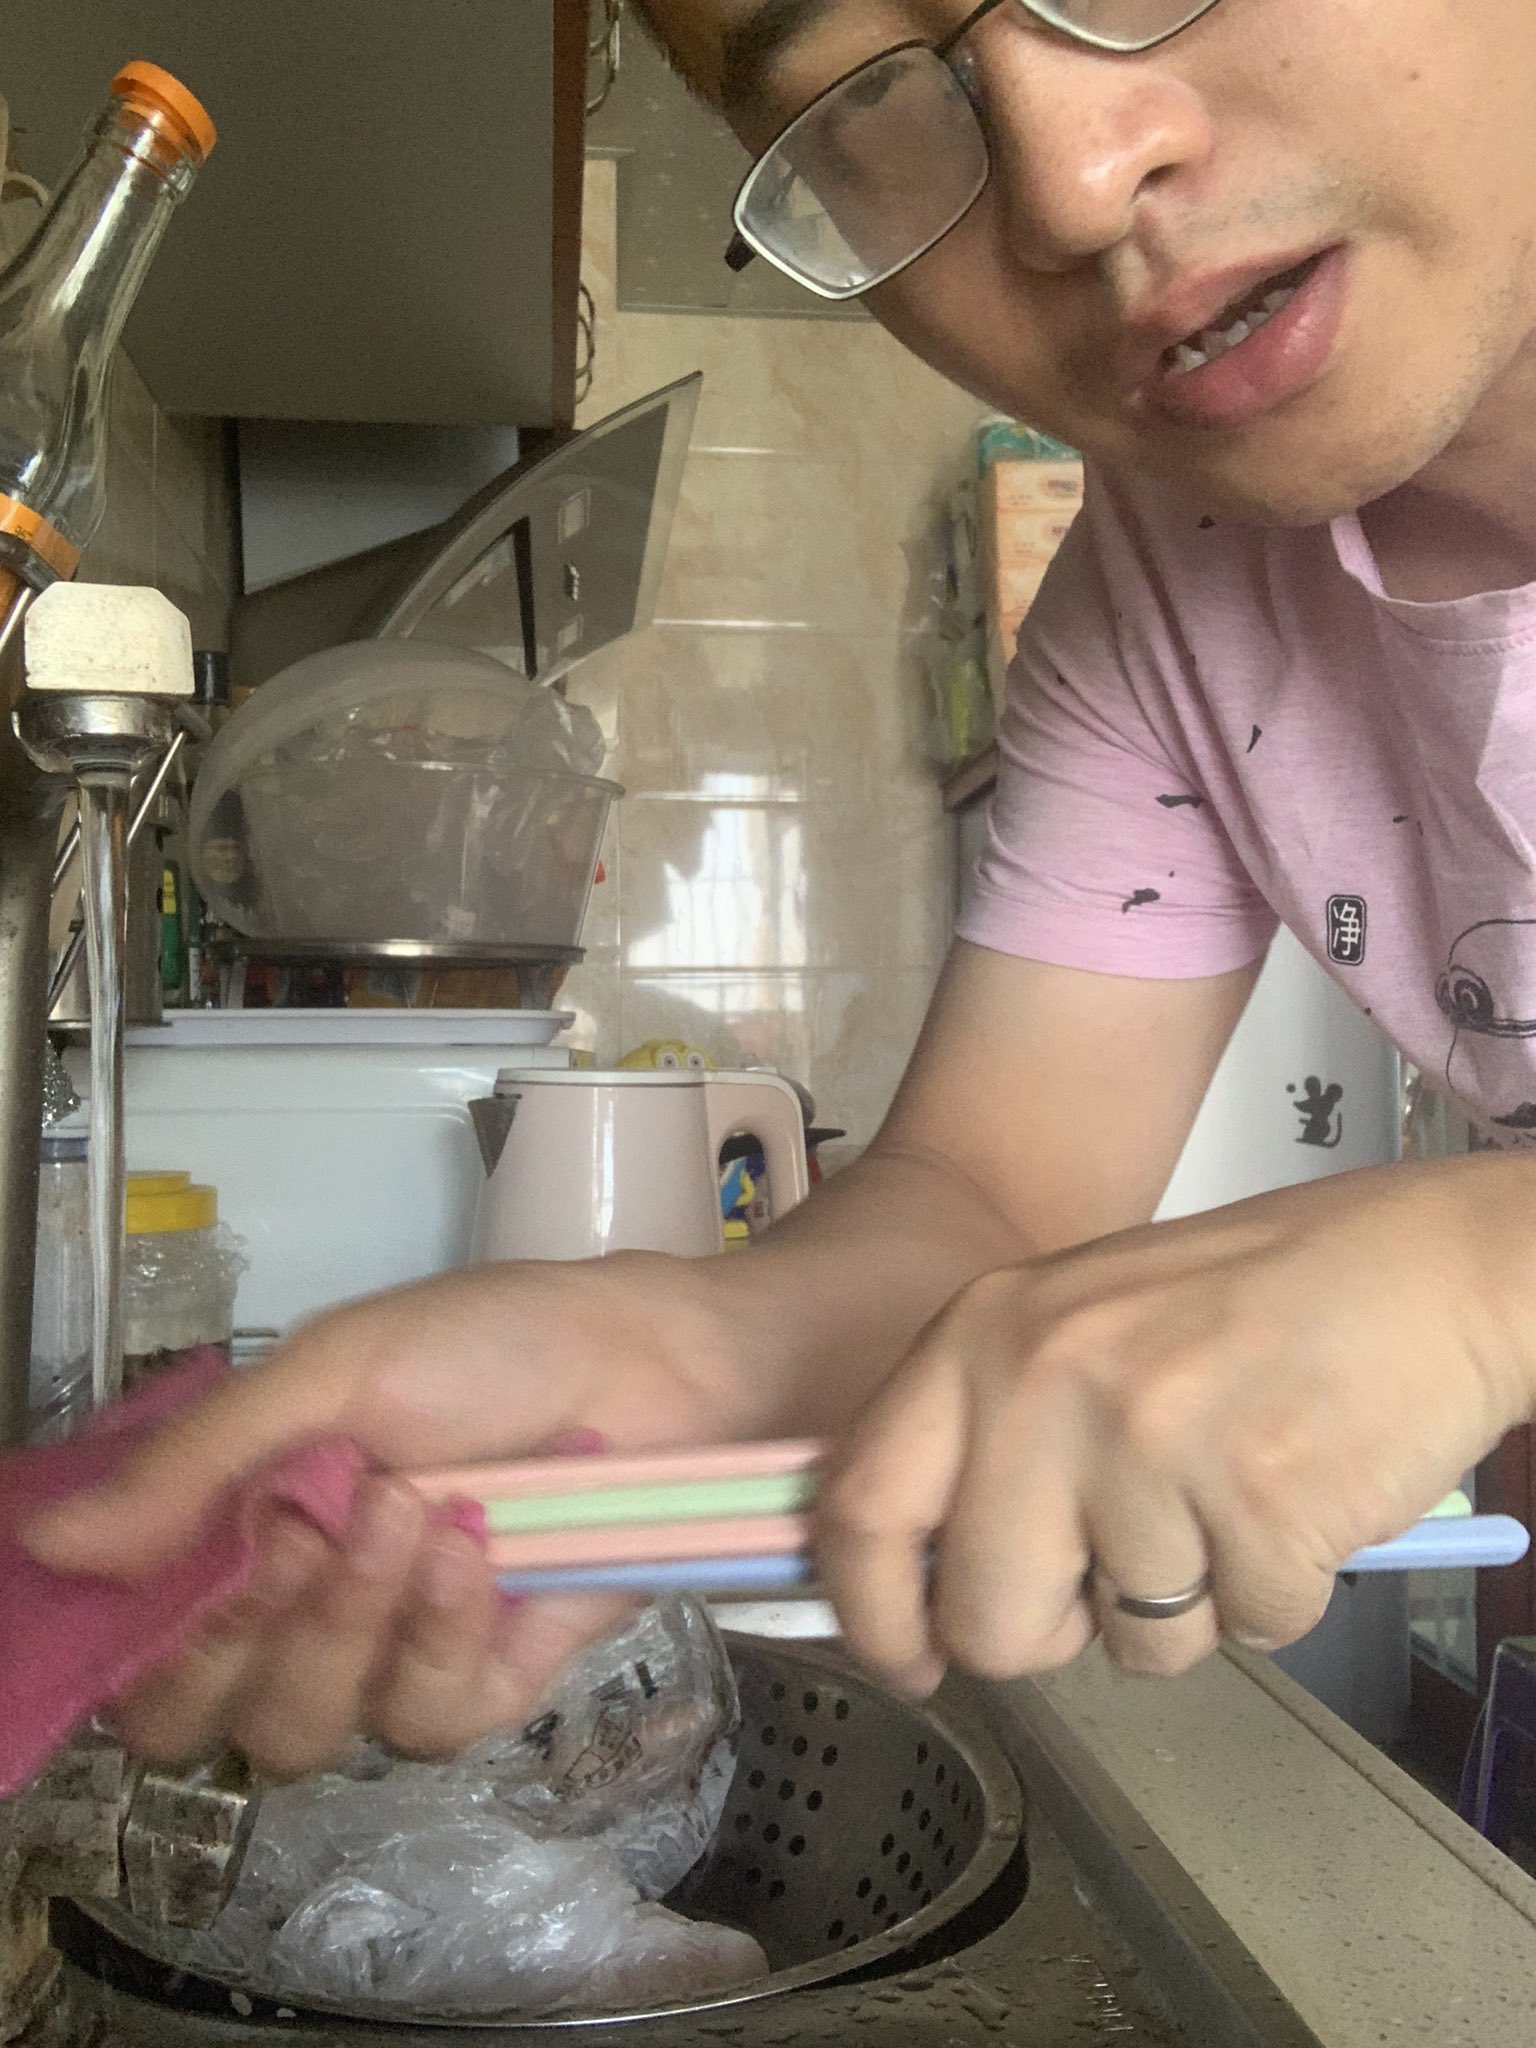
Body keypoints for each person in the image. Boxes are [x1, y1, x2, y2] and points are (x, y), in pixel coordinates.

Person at [24, 0, 1536, 1779]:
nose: (1067, 182)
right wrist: (681, 1354)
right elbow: (992, 1192)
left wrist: (1484, 1271)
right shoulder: (1163, 584)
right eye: (866, 107)